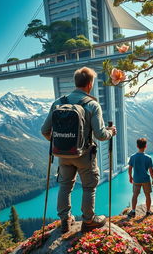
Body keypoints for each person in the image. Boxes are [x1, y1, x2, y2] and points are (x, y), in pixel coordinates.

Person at [41, 67, 117, 233]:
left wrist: (58, 144)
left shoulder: (58, 103)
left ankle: (65, 219)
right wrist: (111, 132)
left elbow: (45, 131)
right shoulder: (92, 105)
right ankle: (89, 220)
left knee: (65, 186)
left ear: (75, 82)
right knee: (89, 187)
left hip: (63, 154)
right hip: (85, 155)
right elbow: (101, 134)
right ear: (90, 84)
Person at [127, 138, 153, 218]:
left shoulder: (133, 157)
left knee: (135, 195)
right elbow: (151, 170)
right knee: (147, 195)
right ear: (145, 146)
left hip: (136, 179)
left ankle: (133, 211)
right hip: (146, 179)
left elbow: (130, 168)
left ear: (137, 146)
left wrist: (130, 177)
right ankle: (148, 211)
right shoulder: (148, 158)